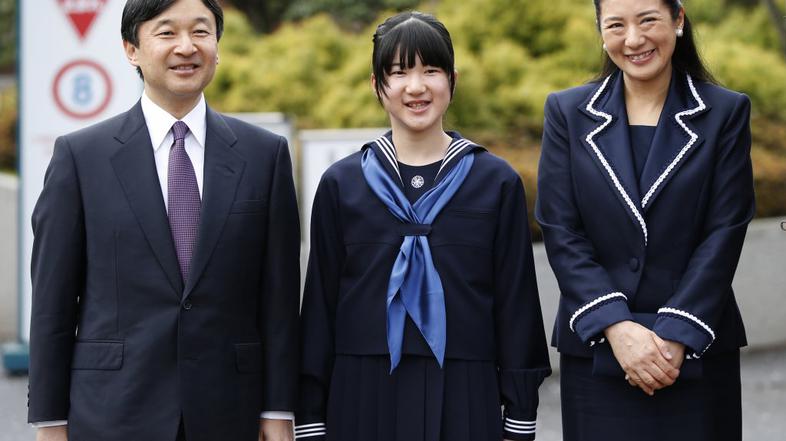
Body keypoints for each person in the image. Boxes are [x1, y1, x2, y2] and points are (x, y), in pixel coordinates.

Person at [27, 1, 300, 440]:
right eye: (167, 32)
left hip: (231, 410)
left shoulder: (263, 156)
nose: (186, 47)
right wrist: (49, 421)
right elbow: (52, 303)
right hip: (112, 412)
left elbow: (280, 300)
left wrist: (278, 408)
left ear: (217, 46)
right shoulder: (81, 158)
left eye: (201, 31)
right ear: (131, 49)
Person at [295, 11, 551, 441]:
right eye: (399, 72)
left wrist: (519, 416)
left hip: (466, 389)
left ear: (452, 80)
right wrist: (310, 418)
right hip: (361, 391)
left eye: (431, 70)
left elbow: (517, 304)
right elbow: (320, 304)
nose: (416, 87)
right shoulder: (343, 184)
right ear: (377, 85)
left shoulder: (495, 182)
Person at [535, 0, 754, 440]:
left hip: (695, 351)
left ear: (678, 19)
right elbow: (561, 230)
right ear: (601, 32)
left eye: (648, 20)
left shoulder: (724, 112)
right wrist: (616, 327)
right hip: (599, 352)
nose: (633, 39)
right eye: (616, 25)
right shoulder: (568, 112)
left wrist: (676, 333)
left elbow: (724, 232)